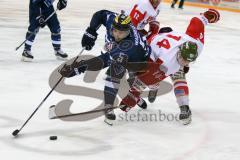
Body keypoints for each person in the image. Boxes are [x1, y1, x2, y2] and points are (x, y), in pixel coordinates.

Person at [119, 9, 220, 125]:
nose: (185, 62)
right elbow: (141, 82)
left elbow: (197, 21)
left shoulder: (195, 42)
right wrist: (129, 100)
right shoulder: (167, 63)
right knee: (155, 77)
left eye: (188, 61)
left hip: (161, 51)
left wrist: (208, 16)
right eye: (184, 59)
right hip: (153, 56)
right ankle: (155, 87)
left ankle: (183, 106)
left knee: (176, 73)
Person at [60, 11, 151, 125]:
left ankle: (130, 99)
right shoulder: (111, 20)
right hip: (121, 53)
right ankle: (112, 105)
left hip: (139, 60)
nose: (117, 35)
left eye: (121, 33)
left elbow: (101, 61)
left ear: (127, 32)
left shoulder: (129, 46)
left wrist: (77, 68)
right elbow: (100, 14)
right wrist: (91, 31)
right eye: (115, 31)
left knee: (116, 75)